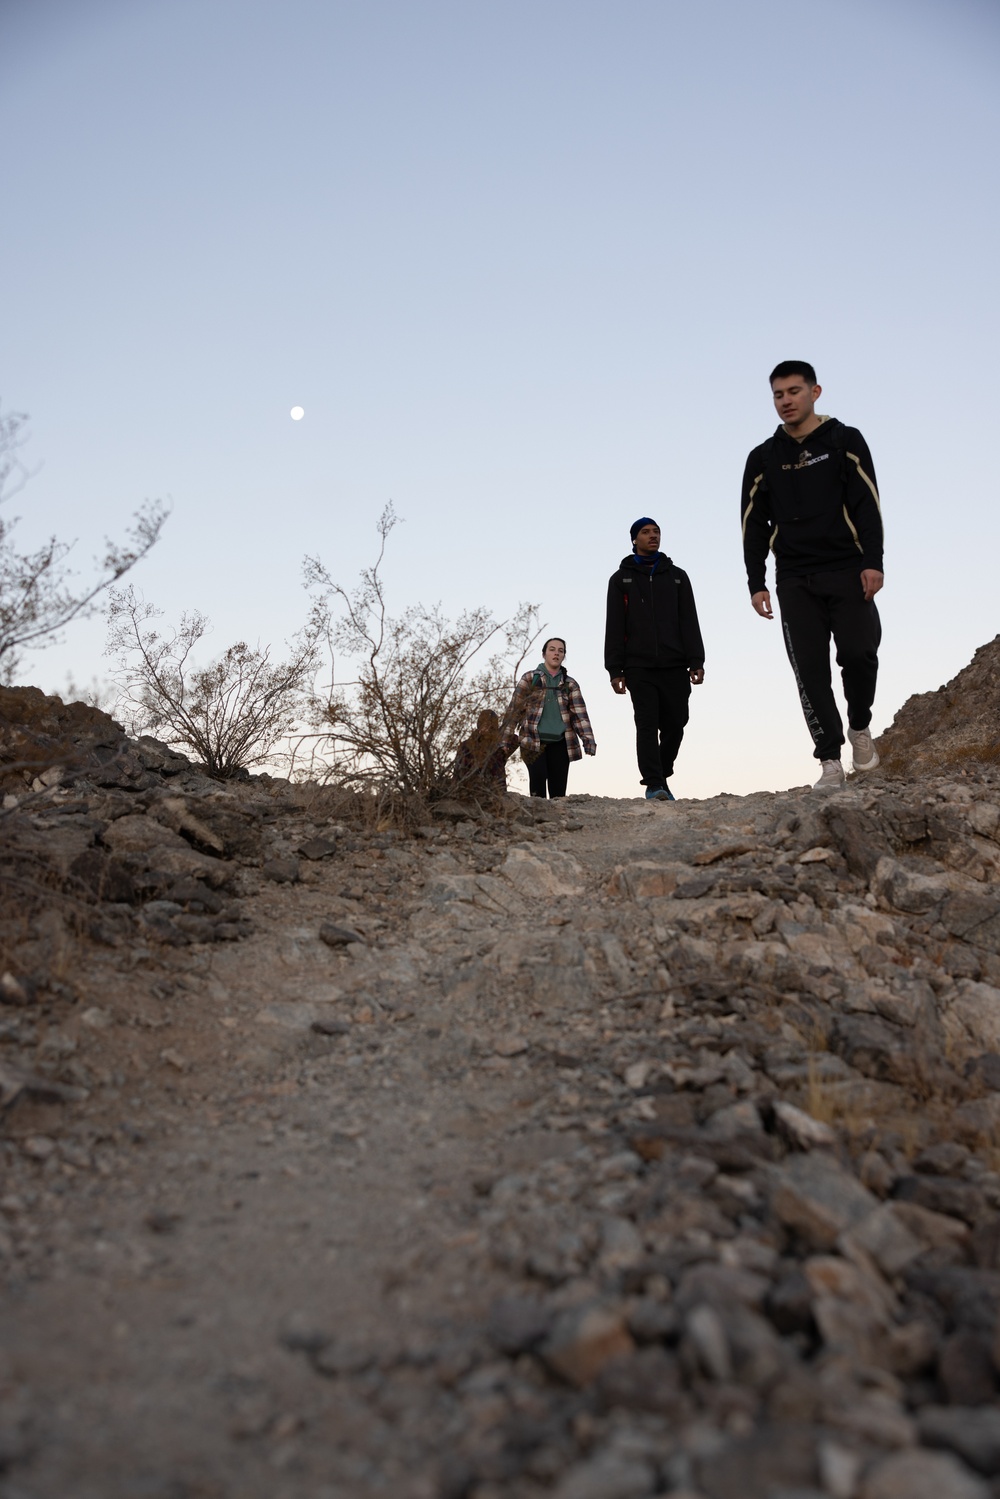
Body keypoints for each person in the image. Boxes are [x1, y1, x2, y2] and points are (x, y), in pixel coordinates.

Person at [741, 361, 884, 791]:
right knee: (809, 669)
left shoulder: (844, 439)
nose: (785, 401)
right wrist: (756, 581)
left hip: (847, 567)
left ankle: (860, 725)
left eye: (793, 392)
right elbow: (752, 523)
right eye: (778, 395)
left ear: (815, 392)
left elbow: (868, 504)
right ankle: (829, 760)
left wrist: (873, 561)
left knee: (859, 654)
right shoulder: (763, 457)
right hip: (795, 577)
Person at [604, 518, 705, 801]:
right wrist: (615, 668)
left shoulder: (677, 576)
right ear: (634, 539)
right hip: (638, 666)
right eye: (646, 532)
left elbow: (689, 620)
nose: (653, 536)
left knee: (677, 722)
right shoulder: (620, 579)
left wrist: (696, 660)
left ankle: (662, 769)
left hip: (675, 664)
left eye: (656, 532)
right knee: (646, 723)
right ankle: (654, 783)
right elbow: (614, 626)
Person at [504, 638, 596, 798]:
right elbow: (513, 711)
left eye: (560, 651)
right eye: (552, 649)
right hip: (532, 741)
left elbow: (580, 715)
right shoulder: (530, 679)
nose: (556, 653)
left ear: (564, 656)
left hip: (560, 743)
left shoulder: (569, 684)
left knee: (558, 793)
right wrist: (504, 740)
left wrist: (588, 740)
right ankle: (537, 820)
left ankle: (557, 823)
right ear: (544, 654)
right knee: (538, 783)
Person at [452, 709, 509, 800]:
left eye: (491, 727)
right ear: (479, 725)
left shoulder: (498, 750)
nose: (487, 729)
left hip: (493, 797)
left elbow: (500, 783)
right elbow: (458, 774)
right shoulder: (466, 746)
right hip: (467, 794)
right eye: (485, 724)